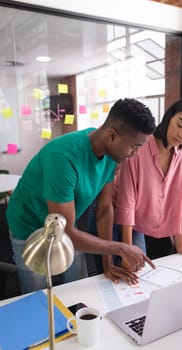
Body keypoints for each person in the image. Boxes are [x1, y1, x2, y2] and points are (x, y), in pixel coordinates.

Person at [6, 98, 156, 294]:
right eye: (134, 146)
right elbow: (66, 232)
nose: (135, 154)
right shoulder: (63, 157)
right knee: (39, 295)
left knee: (78, 288)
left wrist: (108, 263)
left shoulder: (112, 155)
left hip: (66, 224)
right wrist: (120, 248)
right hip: (30, 228)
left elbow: (104, 210)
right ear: (112, 135)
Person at [112, 97, 182, 267]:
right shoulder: (139, 146)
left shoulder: (181, 154)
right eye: (180, 124)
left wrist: (181, 245)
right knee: (132, 269)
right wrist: (128, 251)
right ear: (169, 116)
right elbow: (127, 201)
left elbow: (176, 200)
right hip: (122, 222)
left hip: (155, 224)